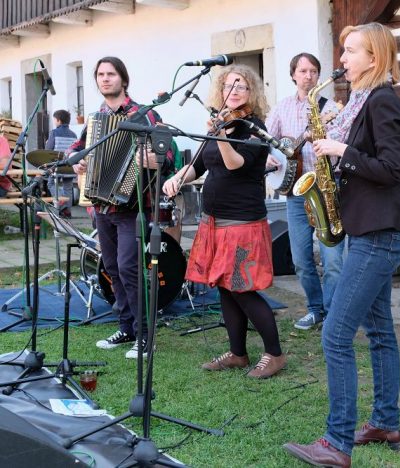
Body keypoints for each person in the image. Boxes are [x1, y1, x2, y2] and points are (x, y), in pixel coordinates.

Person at [283, 23, 400, 467]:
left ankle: (337, 444)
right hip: (369, 229)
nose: (342, 59)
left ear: (374, 58)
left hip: (379, 234)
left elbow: (393, 169)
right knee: (379, 332)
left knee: (335, 334)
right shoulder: (362, 101)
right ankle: (385, 422)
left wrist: (341, 151)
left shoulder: (383, 101)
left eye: (351, 51)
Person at [162, 64, 286, 379]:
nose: (234, 91)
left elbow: (235, 164)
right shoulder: (220, 123)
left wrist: (219, 136)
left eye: (241, 86)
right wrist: (177, 178)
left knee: (242, 289)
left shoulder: (254, 129)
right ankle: (237, 353)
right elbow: (199, 165)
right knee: (225, 288)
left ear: (251, 92)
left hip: (242, 222)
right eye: (229, 85)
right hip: (214, 221)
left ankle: (274, 354)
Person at [69, 56, 174, 359]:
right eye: (100, 74)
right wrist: (78, 162)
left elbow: (168, 157)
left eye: (111, 74)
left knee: (129, 268)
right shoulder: (96, 118)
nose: (105, 79)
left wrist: (153, 160)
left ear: (123, 80)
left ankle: (145, 335)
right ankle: (126, 327)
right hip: (102, 206)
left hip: (133, 205)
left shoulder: (145, 115)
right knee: (113, 268)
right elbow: (77, 150)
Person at [265, 52, 344, 330]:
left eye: (313, 71)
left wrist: (321, 138)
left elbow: (340, 149)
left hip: (325, 188)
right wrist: (268, 156)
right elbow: (267, 140)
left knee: (333, 261)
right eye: (302, 71)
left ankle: (332, 314)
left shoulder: (331, 108)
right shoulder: (282, 107)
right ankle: (315, 309)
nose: (308, 76)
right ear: (293, 75)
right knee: (300, 259)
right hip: (296, 193)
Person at [45, 109, 77, 217]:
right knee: (68, 188)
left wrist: (47, 143)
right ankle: (67, 211)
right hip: (70, 166)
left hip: (57, 166)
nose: (54, 122)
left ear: (58, 120)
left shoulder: (54, 133)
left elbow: (48, 150)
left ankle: (61, 201)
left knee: (50, 183)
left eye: (54, 120)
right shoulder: (74, 135)